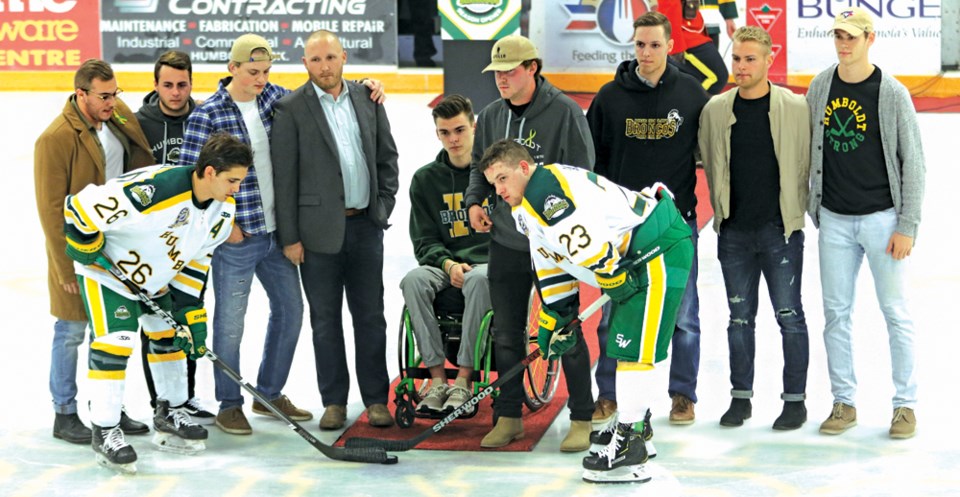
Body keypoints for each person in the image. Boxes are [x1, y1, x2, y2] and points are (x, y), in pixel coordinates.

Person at [180, 33, 385, 435]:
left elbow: (327, 89)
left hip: (278, 234)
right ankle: (229, 402)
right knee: (230, 323)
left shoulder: (278, 100)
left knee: (292, 313)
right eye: (252, 72)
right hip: (237, 239)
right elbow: (192, 182)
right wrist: (229, 225)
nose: (260, 79)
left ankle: (268, 391)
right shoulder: (207, 115)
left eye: (266, 71)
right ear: (232, 68)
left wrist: (368, 86)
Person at [478, 139, 693, 484]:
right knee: (631, 347)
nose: (499, 190)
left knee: (634, 349)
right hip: (632, 259)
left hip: (656, 249)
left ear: (523, 167)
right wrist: (557, 314)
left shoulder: (546, 192)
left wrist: (609, 273)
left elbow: (584, 240)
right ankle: (634, 428)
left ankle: (629, 442)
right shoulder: (526, 208)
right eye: (493, 184)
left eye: (503, 179)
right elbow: (550, 261)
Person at [63, 133, 253, 473]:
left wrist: (188, 310)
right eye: (232, 180)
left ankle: (170, 411)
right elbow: (80, 206)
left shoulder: (222, 212)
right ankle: (105, 429)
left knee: (171, 334)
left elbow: (195, 262)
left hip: (155, 279)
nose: (237, 189)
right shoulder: (155, 191)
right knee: (115, 343)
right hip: (108, 273)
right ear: (209, 172)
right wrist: (83, 241)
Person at [464, 35, 597, 451]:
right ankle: (508, 415)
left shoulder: (565, 113)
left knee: (564, 329)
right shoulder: (488, 117)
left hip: (552, 246)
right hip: (505, 242)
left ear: (533, 68)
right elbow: (476, 167)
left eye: (510, 71)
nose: (501, 79)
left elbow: (583, 177)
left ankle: (581, 416)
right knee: (506, 334)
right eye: (497, 72)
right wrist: (474, 201)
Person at [806, 7, 925, 439]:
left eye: (852, 37)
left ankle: (905, 405)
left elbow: (914, 163)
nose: (843, 43)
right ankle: (844, 402)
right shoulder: (821, 85)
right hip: (834, 221)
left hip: (882, 220)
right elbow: (810, 150)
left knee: (895, 312)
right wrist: (813, 206)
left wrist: (907, 224)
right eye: (838, 35)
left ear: (870, 39)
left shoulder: (891, 93)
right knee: (835, 315)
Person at [272, 30, 399, 430]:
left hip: (365, 227)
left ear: (343, 57)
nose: (324, 66)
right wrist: (290, 237)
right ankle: (334, 401)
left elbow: (386, 158)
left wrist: (382, 207)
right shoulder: (290, 108)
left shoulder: (368, 98)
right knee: (325, 321)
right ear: (304, 64)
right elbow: (284, 178)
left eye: (330, 57)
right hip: (315, 235)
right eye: (315, 60)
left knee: (371, 316)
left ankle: (377, 400)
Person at [586, 11, 708, 425]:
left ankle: (683, 394)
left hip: (675, 227)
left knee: (685, 314)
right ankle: (608, 393)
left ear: (671, 46)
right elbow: (594, 164)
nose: (647, 52)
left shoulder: (692, 94)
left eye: (655, 44)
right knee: (612, 312)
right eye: (640, 44)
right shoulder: (608, 97)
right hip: (622, 228)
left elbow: (707, 150)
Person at [35, 58, 153, 445]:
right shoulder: (55, 139)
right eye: (103, 95)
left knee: (112, 332)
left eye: (115, 92)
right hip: (78, 249)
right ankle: (64, 412)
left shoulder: (116, 114)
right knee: (71, 330)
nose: (112, 101)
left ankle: (109, 408)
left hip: (119, 245)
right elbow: (51, 209)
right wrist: (65, 268)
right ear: (80, 94)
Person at [698, 26, 811, 430]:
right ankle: (740, 399)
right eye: (736, 59)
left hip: (780, 231)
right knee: (739, 319)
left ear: (768, 60)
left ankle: (795, 401)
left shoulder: (796, 107)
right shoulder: (715, 110)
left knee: (789, 315)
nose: (741, 67)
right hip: (734, 234)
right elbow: (706, 162)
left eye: (749, 59)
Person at [134, 50, 215, 425]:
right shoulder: (138, 124)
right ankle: (161, 403)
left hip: (192, 241)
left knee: (189, 317)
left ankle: (185, 396)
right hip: (150, 244)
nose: (176, 92)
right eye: (167, 84)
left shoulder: (203, 120)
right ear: (155, 85)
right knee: (155, 323)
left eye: (182, 84)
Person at [400, 94, 490, 415]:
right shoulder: (426, 180)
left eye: (459, 130)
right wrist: (446, 262)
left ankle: (464, 379)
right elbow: (423, 240)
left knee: (479, 279)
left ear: (474, 128)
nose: (453, 139)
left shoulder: (494, 175)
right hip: (446, 264)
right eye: (444, 132)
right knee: (412, 280)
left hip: (490, 265)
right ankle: (438, 379)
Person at [655, 0, 729, 95]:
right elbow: (670, 6)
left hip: (696, 29)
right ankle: (693, 106)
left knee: (696, 79)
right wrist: (676, 46)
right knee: (718, 77)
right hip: (685, 37)